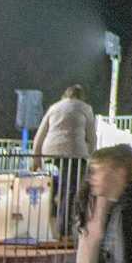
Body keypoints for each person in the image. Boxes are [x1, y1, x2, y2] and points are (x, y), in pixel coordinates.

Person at [32, 83, 96, 244]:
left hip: (50, 152)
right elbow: (91, 136)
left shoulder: (54, 107)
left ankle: (50, 226)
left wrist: (36, 157)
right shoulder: (85, 108)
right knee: (72, 191)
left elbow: (40, 134)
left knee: (56, 189)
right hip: (74, 152)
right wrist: (91, 157)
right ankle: (65, 232)